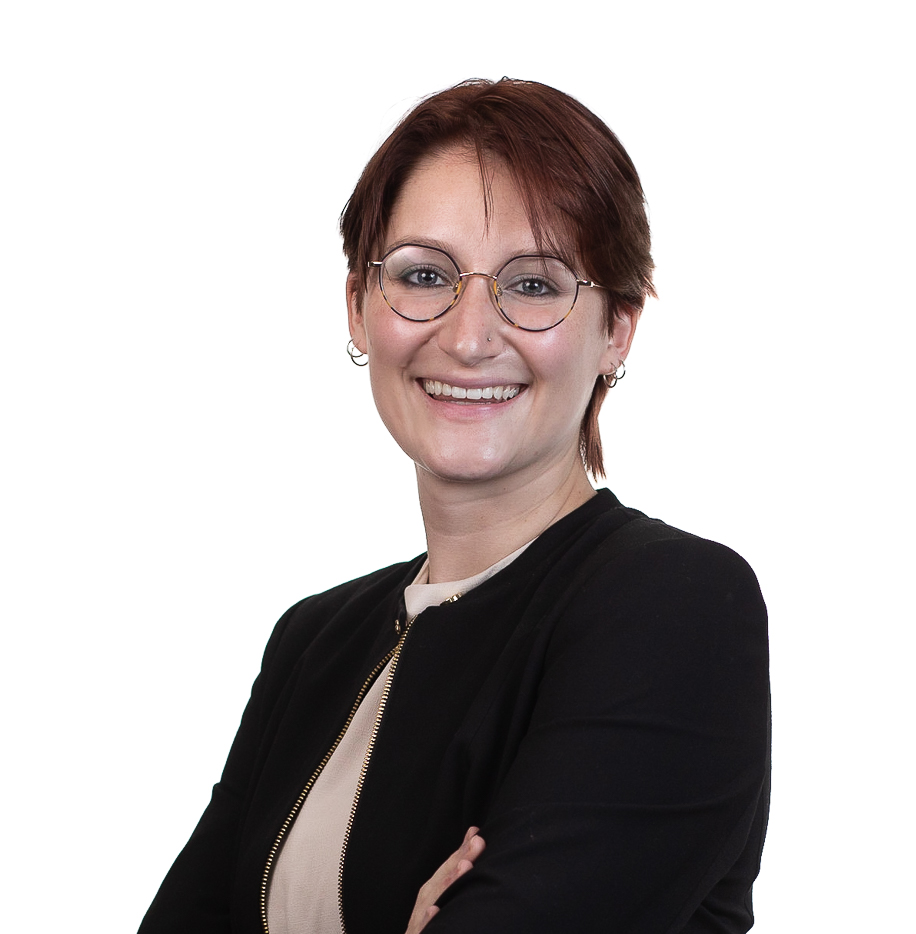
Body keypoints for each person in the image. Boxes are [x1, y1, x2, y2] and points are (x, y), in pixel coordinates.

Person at [138, 78, 770, 934]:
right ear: (361, 309)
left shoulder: (674, 607)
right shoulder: (310, 644)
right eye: (426, 275)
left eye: (536, 285)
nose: (470, 337)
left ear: (617, 328)